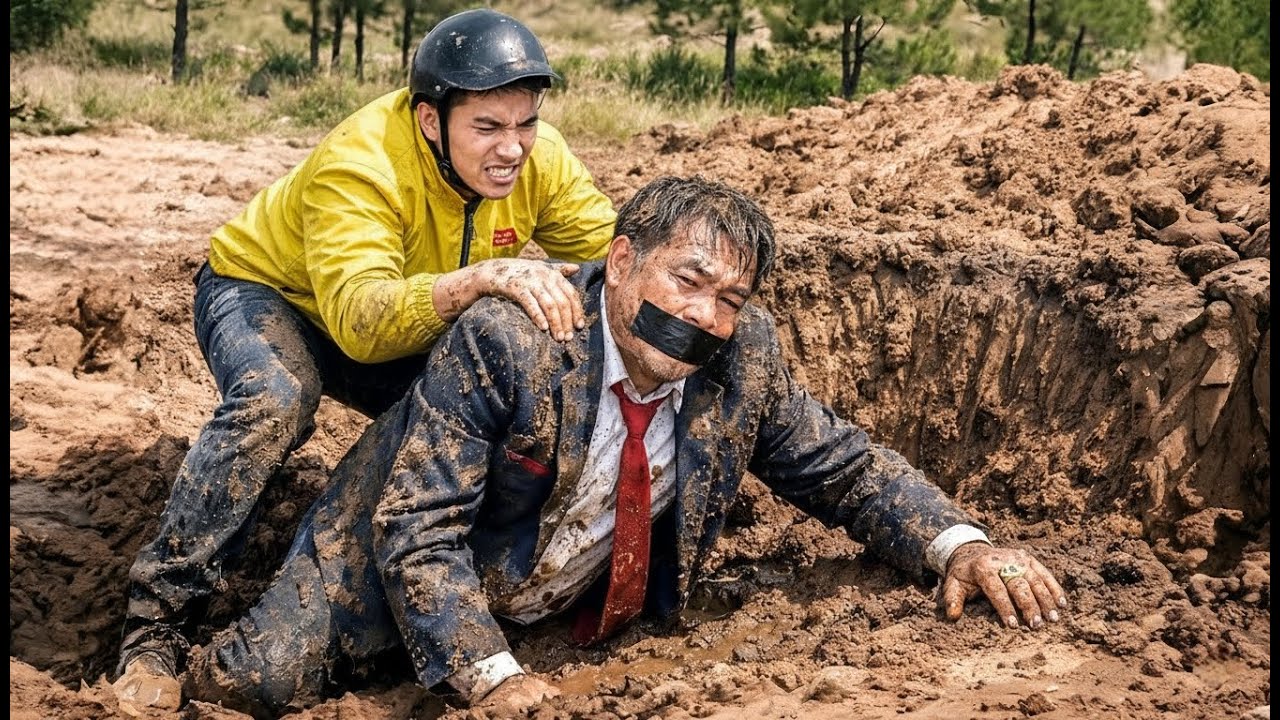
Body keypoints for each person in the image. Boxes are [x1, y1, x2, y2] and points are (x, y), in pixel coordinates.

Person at [177, 176, 1067, 717]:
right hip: (382, 564)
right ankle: (162, 637)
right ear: (624, 258)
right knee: (256, 682)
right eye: (688, 280)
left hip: (563, 609)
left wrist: (962, 542)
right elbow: (418, 528)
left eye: (731, 297)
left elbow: (841, 463)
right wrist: (488, 674)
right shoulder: (511, 340)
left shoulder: (740, 357)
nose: (702, 317)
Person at [112, 8, 617, 712]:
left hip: (402, 309)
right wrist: (479, 279)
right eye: (488, 128)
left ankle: (444, 587)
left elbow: (614, 254)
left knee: (480, 401)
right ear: (430, 122)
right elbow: (361, 324)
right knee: (274, 401)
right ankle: (155, 625)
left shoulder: (541, 160)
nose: (513, 148)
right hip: (271, 293)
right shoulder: (361, 164)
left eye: (525, 123)